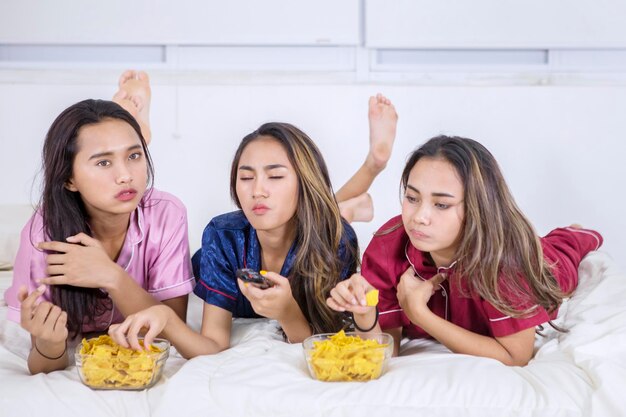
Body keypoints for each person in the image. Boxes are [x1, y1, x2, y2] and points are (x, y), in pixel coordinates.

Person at [108, 95, 399, 357]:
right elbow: (213, 344)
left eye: (275, 177)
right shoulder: (223, 236)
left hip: (316, 225)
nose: (257, 190)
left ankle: (363, 178)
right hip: (216, 265)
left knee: (326, 220)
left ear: (304, 182)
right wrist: (166, 318)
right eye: (246, 178)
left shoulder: (336, 240)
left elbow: (318, 340)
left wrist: (286, 311)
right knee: (321, 214)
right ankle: (346, 204)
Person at [327, 135, 602, 366]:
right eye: (412, 198)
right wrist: (364, 315)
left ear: (477, 207)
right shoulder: (389, 244)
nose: (419, 217)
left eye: (442, 205)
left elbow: (515, 356)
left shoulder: (506, 262)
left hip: (539, 257)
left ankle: (571, 233)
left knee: (559, 254)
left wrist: (419, 313)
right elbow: (387, 350)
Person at [4, 97, 194, 374]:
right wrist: (51, 343)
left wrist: (111, 276)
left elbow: (172, 330)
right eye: (104, 163)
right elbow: (44, 366)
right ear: (69, 178)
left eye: (134, 156)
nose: (125, 176)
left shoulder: (167, 213)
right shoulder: (43, 236)